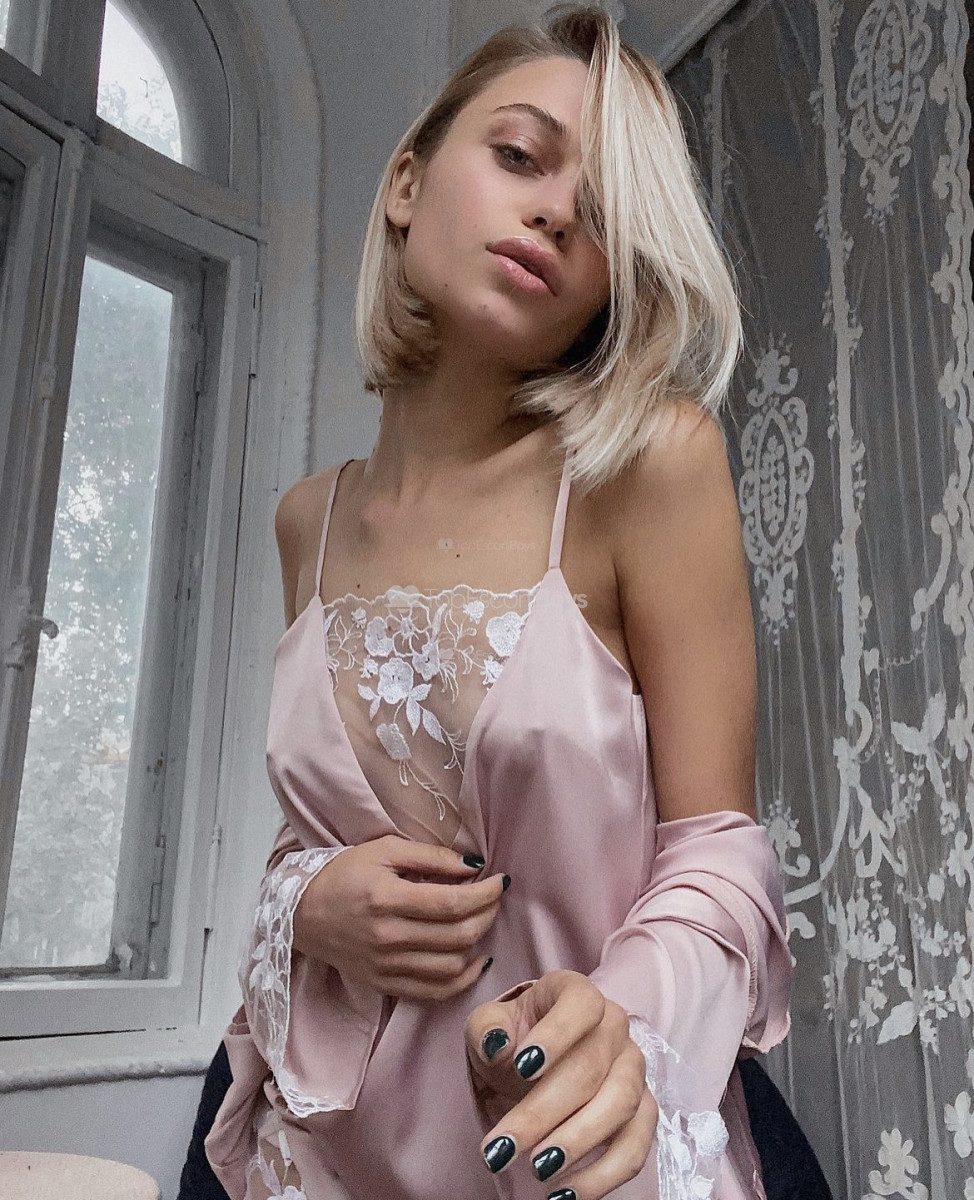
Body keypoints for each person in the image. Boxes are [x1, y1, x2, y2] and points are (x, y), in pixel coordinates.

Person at [199, 6, 815, 1197]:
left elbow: (718, 854)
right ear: (405, 182)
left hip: (562, 1144)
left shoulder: (647, 466)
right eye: (521, 156)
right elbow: (318, 825)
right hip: (321, 1153)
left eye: (605, 215)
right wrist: (307, 903)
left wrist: (617, 1025)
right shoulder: (306, 522)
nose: (556, 212)